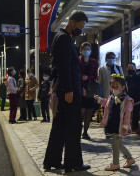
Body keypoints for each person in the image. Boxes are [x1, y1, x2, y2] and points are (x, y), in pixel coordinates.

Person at [43, 11, 91, 173]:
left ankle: (52, 160)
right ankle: (74, 163)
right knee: (73, 126)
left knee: (60, 126)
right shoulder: (64, 38)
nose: (81, 29)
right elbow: (64, 66)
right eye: (81, 25)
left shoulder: (62, 37)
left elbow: (56, 66)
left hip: (65, 87)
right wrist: (69, 89)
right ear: (72, 21)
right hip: (69, 90)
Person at [94, 74, 135, 171]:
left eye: (117, 86)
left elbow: (127, 114)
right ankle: (129, 159)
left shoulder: (127, 100)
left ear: (123, 87)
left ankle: (115, 163)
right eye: (112, 86)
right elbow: (106, 104)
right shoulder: (111, 97)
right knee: (119, 144)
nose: (114, 88)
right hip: (112, 124)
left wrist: (125, 125)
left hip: (120, 125)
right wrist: (99, 99)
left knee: (115, 144)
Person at [79, 42, 98, 140]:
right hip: (79, 88)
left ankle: (85, 132)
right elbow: (74, 74)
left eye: (88, 49)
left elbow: (95, 76)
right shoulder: (77, 60)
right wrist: (81, 80)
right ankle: (77, 131)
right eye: (84, 49)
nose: (86, 51)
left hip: (90, 88)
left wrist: (88, 77)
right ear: (81, 50)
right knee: (80, 112)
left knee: (89, 112)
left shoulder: (94, 61)